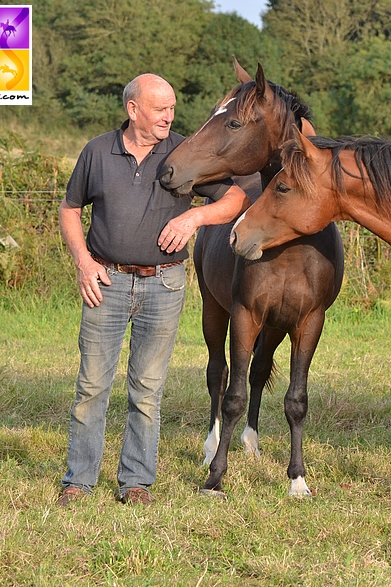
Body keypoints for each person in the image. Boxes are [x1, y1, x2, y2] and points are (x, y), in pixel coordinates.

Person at [57, 73, 250, 507]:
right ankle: (79, 481)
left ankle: (136, 483)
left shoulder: (185, 151)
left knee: (146, 388)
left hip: (164, 283)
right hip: (104, 281)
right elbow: (70, 209)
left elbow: (236, 198)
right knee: (92, 385)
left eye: (172, 108)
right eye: (160, 108)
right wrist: (83, 263)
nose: (169, 116)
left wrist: (193, 219)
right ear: (133, 109)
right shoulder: (97, 152)